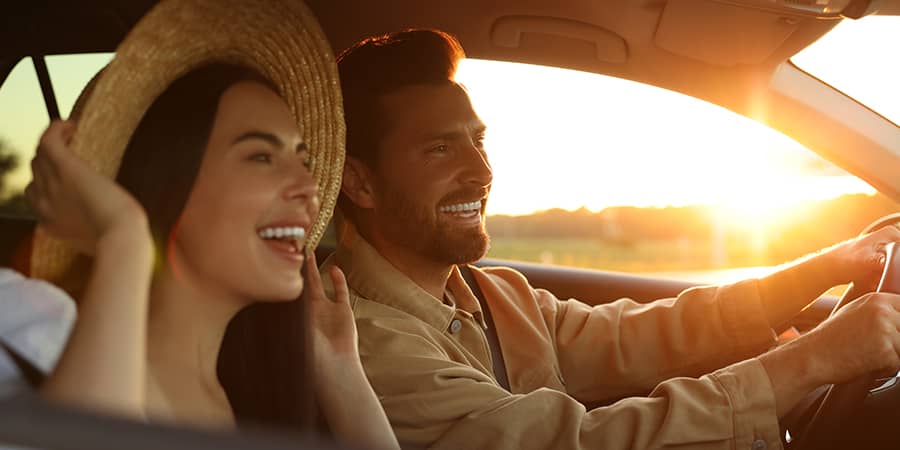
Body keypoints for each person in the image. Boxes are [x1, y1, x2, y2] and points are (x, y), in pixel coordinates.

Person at [324, 28, 900, 449]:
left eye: (478, 141)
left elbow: (640, 336)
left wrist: (827, 268)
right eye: (440, 149)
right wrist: (811, 361)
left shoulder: (496, 295)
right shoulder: (361, 343)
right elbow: (575, 442)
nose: (480, 172)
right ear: (361, 182)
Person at [7, 1, 398, 449]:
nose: (308, 188)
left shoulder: (254, 394)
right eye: (261, 157)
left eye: (304, 162)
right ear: (165, 182)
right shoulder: (42, 338)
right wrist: (126, 238)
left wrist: (342, 369)